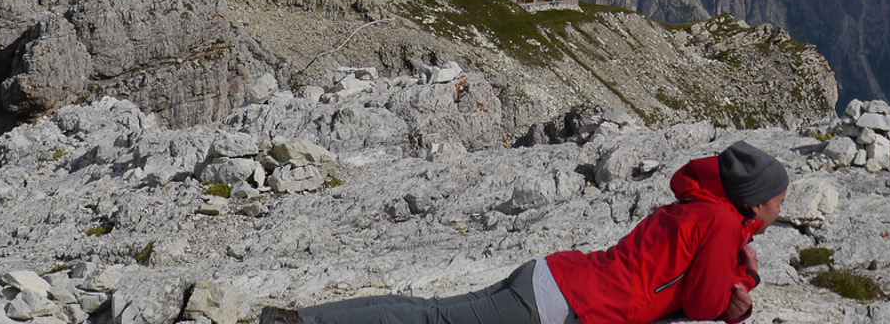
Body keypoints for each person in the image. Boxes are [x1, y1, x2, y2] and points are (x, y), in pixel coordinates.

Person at [259, 141, 789, 324]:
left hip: (551, 279)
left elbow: (688, 276)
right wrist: (737, 295)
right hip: (555, 306)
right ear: (755, 201)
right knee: (431, 318)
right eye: (779, 198)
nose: (782, 208)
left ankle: (298, 318)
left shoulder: (700, 208)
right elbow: (700, 303)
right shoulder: (721, 222)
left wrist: (736, 276)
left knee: (427, 309)